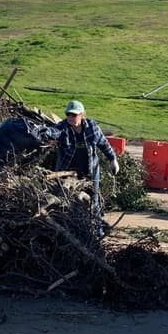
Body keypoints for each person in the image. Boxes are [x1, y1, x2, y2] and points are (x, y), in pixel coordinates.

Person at [44, 100, 119, 234]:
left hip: (90, 171)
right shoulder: (63, 127)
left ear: (82, 115)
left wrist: (113, 159)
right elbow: (52, 132)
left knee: (93, 201)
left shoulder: (92, 127)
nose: (70, 118)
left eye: (74, 115)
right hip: (67, 172)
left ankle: (97, 232)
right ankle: (67, 230)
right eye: (68, 114)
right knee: (65, 200)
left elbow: (104, 144)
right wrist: (46, 137)